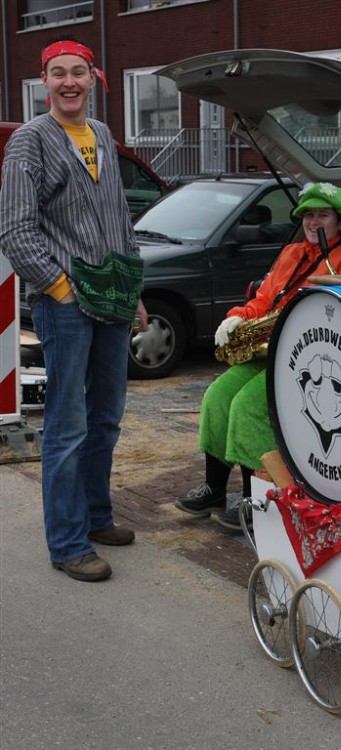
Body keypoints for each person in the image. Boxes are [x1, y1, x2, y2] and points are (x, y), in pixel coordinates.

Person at [0, 37, 148, 582]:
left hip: (112, 298)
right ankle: (67, 544)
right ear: (45, 82)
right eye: (58, 72)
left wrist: (132, 290)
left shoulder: (103, 134)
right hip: (65, 304)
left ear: (94, 79)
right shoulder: (30, 141)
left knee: (105, 417)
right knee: (68, 426)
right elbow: (15, 229)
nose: (69, 82)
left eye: (78, 72)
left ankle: (96, 516)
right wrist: (61, 289)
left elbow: (119, 220)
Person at [174, 181, 341, 530]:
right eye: (308, 215)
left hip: (304, 359)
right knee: (217, 396)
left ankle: (255, 501)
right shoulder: (291, 253)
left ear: (340, 222)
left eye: (323, 215)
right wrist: (239, 317)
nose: (313, 222)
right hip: (268, 348)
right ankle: (214, 489)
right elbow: (265, 298)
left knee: (246, 407)